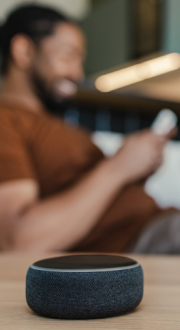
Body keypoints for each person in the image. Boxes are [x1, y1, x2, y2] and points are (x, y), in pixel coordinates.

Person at [0, 4, 176, 253]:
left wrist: (136, 171)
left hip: (161, 226)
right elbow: (16, 241)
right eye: (67, 55)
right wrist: (120, 166)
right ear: (24, 50)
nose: (77, 73)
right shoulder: (6, 121)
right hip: (142, 240)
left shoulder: (58, 127)